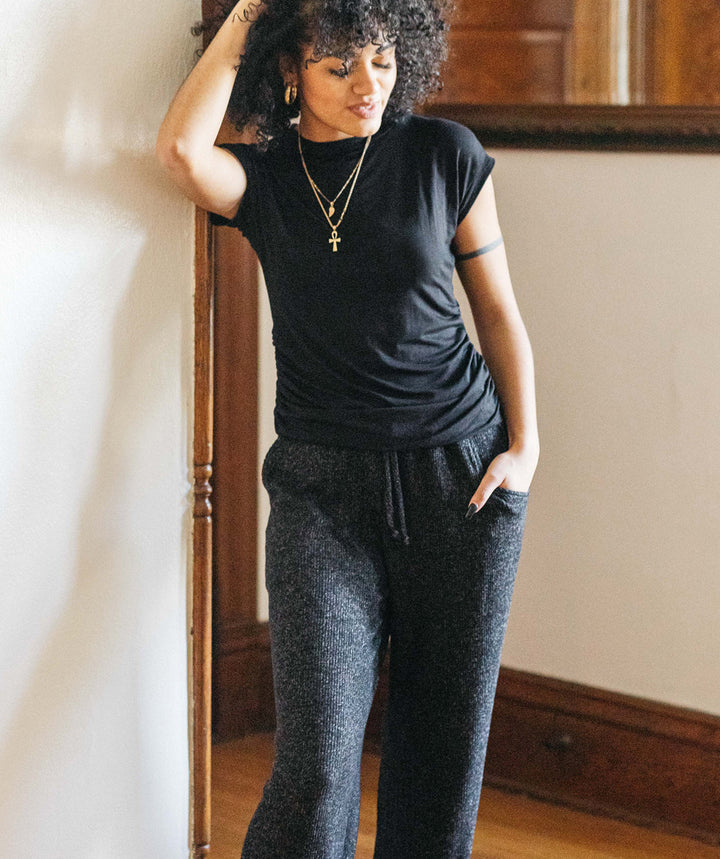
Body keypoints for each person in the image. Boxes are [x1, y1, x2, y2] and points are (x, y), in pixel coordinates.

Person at [157, 0, 539, 855]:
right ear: (290, 68)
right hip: (320, 495)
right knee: (316, 765)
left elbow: (498, 312)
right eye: (339, 65)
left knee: (440, 763)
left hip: (462, 478)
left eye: (382, 59)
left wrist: (526, 447)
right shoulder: (264, 179)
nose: (369, 83)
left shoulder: (445, 154)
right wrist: (254, 11)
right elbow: (180, 151)